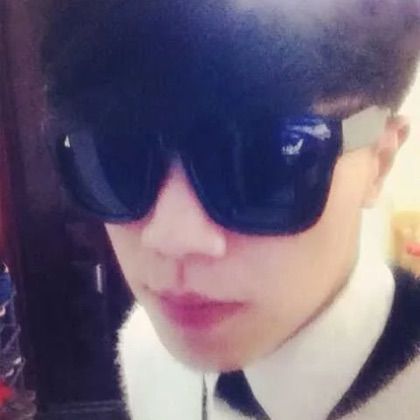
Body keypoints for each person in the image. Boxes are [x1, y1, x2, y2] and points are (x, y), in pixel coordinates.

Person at [40, 1, 420, 418]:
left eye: (264, 161)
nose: (171, 238)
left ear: (380, 160)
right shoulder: (146, 350)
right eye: (115, 156)